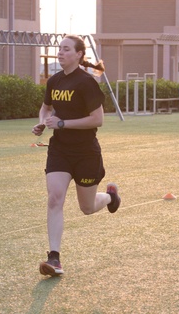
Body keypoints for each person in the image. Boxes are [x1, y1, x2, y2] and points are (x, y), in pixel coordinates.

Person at [32, 35, 120, 277]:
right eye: (59, 49)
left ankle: (111, 198)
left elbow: (97, 119)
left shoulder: (86, 83)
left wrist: (62, 123)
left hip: (85, 153)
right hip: (60, 149)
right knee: (54, 198)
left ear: (79, 54)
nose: (60, 53)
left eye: (66, 49)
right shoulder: (54, 81)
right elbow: (46, 107)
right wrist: (42, 123)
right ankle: (54, 258)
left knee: (87, 207)